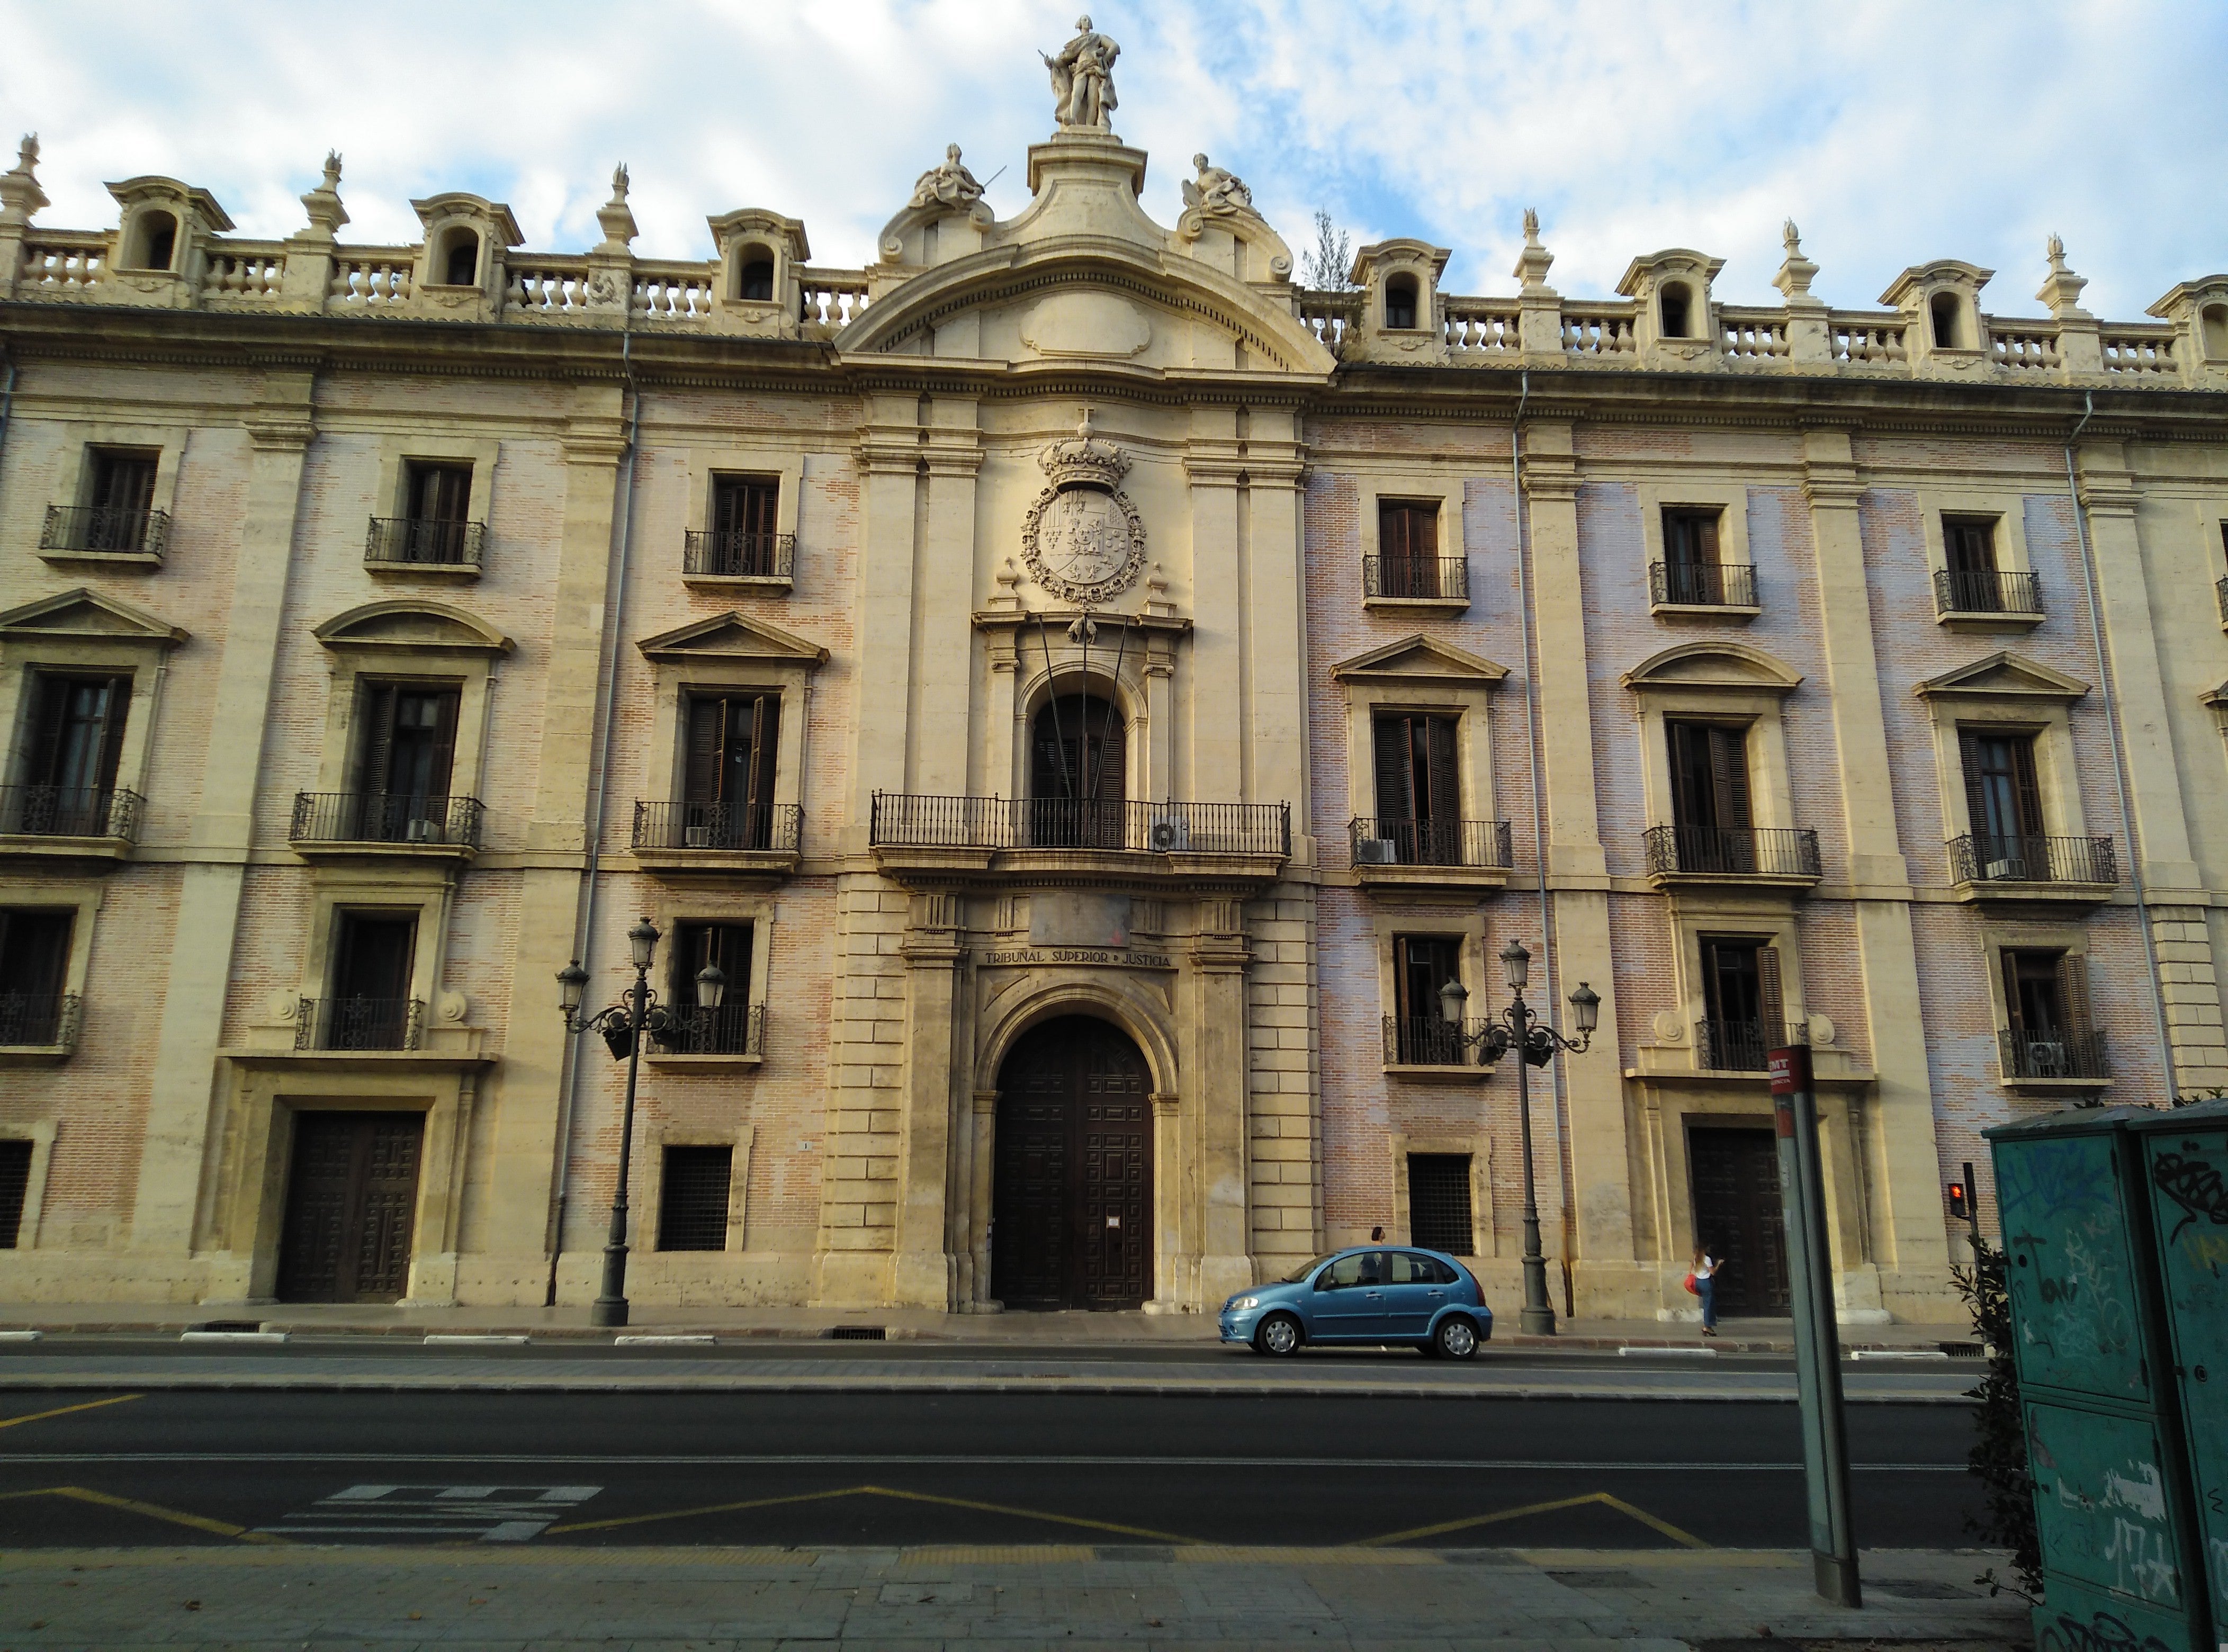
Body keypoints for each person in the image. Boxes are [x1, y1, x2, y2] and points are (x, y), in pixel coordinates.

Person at [1692, 1244, 1719, 1337]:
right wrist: (1719, 1264)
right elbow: (1713, 1272)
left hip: (1699, 1282)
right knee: (1709, 1305)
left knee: (1707, 1303)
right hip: (1706, 1282)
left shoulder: (1696, 1258)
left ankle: (1708, 1326)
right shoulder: (1706, 1259)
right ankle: (1707, 1326)